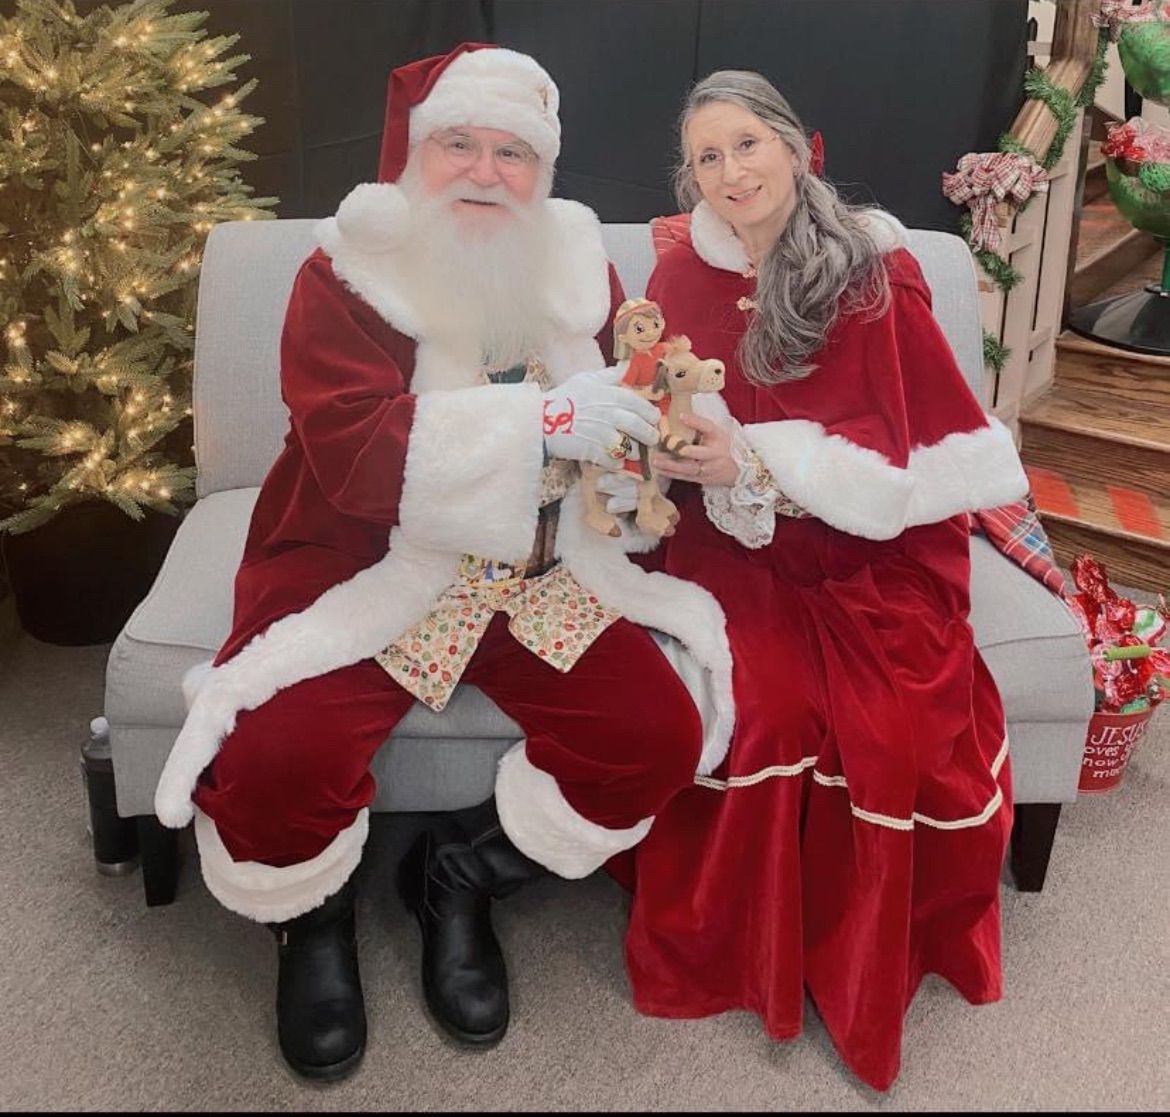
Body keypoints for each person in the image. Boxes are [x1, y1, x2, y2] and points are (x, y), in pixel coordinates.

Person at [152, 44, 735, 1082]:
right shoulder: (344, 272)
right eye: (459, 142)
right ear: (417, 154)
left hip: (531, 571)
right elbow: (351, 451)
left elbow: (623, 399)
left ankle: (461, 875)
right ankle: (313, 917)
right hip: (367, 564)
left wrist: (659, 435)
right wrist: (545, 418)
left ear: (543, 170)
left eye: (512, 151)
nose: (483, 169)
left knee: (652, 736)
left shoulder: (573, 264)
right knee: (272, 760)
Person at [600, 70, 1030, 1092]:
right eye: (708, 155)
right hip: (722, 541)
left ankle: (850, 962)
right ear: (688, 174)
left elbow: (903, 449)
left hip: (867, 547)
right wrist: (670, 455)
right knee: (766, 702)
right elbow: (648, 409)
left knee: (890, 720)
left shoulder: (872, 273)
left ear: (799, 148)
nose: (730, 171)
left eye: (747, 144)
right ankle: (741, 952)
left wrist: (759, 462)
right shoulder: (676, 281)